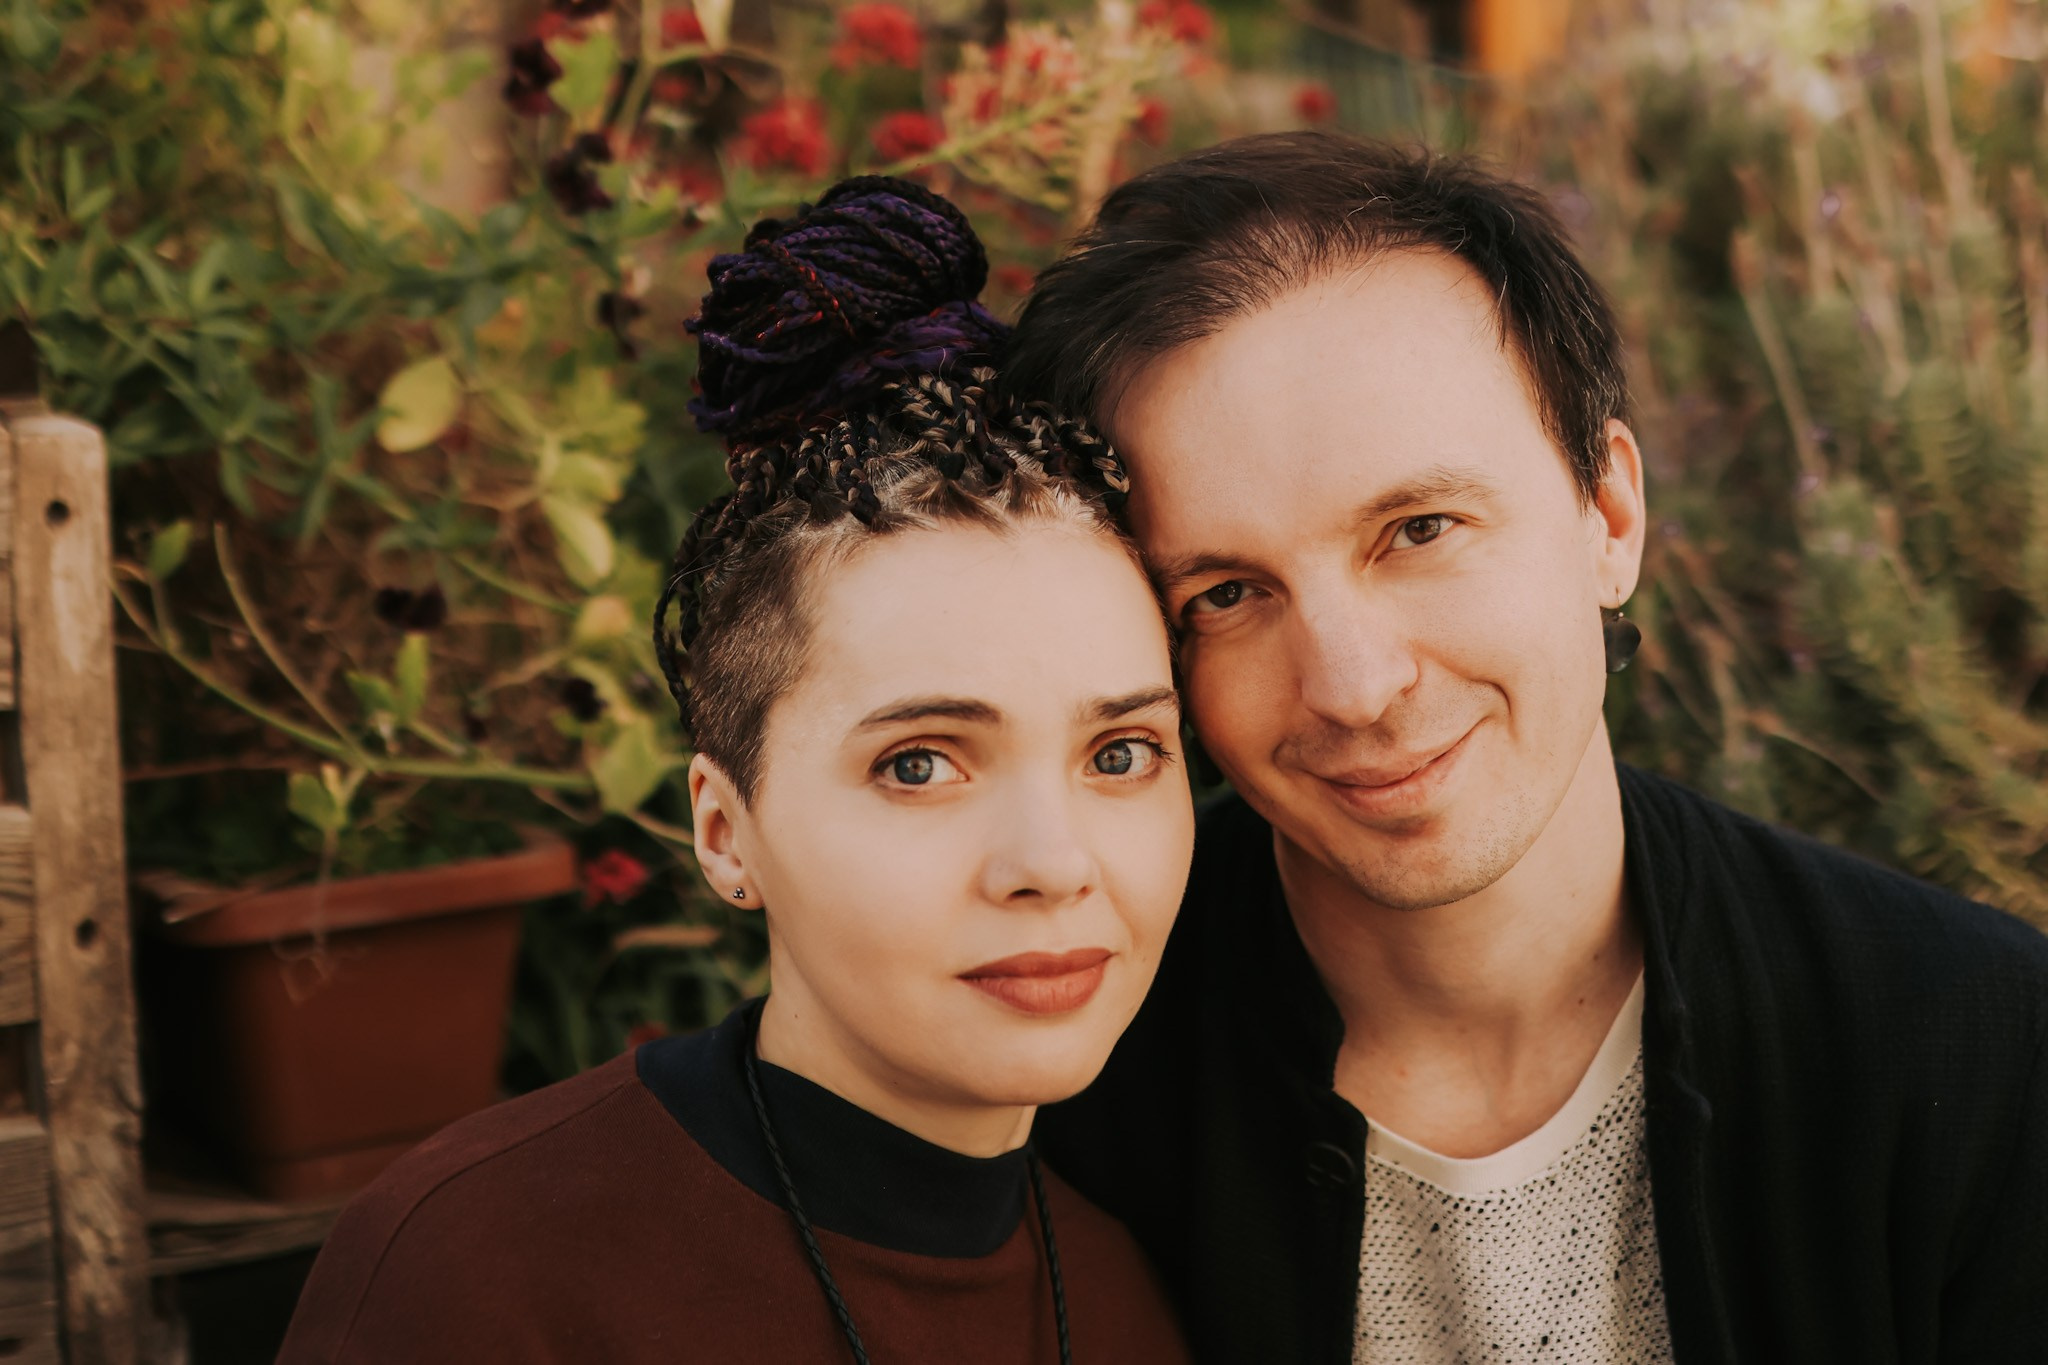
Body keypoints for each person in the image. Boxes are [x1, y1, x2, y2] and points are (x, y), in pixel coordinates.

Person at [1002, 132, 2048, 1365]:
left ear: (1607, 514)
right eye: (1225, 595)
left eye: (1419, 528)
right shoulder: (1069, 1078)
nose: (1352, 686)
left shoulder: (1973, 1055)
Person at [277, 178, 1194, 1365]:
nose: (1050, 863)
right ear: (724, 831)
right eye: (919, 764)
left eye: (1119, 753)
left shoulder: (1133, 1293)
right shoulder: (477, 1277)